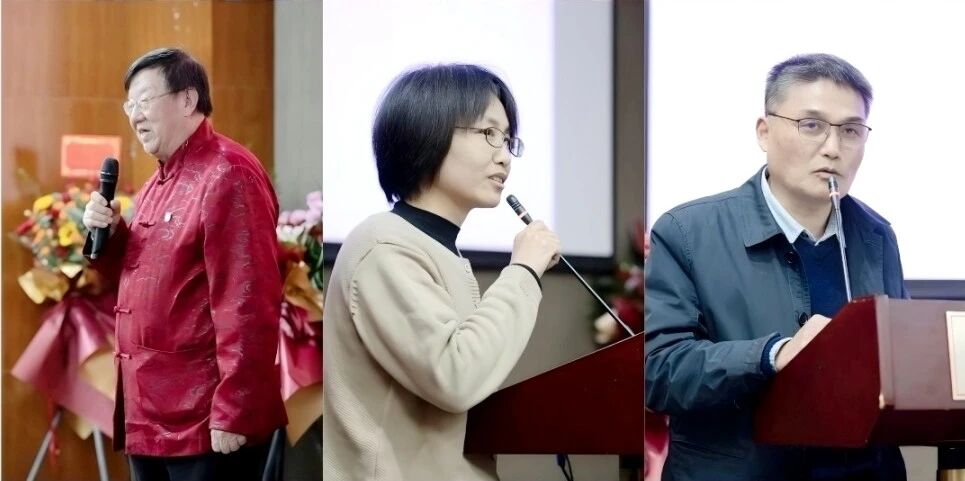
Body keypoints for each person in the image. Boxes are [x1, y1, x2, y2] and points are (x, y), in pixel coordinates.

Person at [644, 53, 908, 480]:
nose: (833, 148)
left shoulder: (877, 236)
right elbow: (659, 372)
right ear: (764, 132)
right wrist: (771, 355)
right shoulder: (687, 232)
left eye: (851, 131)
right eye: (812, 125)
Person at [323, 64, 562, 481]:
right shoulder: (384, 246)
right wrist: (523, 270)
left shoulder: (429, 247)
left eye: (508, 139)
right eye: (488, 133)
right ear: (426, 132)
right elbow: (455, 376)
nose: (504, 156)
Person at [82, 47, 287, 481]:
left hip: (203, 419)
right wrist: (113, 235)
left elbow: (248, 300)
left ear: (188, 99)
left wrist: (235, 407)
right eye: (129, 106)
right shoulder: (157, 182)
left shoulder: (228, 172)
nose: (135, 116)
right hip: (149, 412)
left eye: (144, 101)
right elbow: (147, 279)